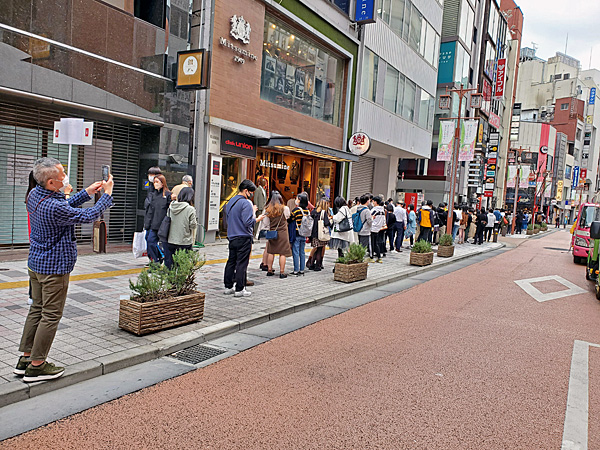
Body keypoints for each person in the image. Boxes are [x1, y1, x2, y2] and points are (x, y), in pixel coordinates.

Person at [15, 157, 113, 382]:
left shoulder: (35, 194)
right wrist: (106, 195)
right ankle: (37, 366)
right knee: (50, 315)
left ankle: (26, 358)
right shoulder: (54, 206)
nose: (65, 177)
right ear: (51, 182)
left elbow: (65, 206)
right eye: (62, 175)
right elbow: (87, 216)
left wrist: (86, 192)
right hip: (54, 268)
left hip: (37, 264)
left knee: (37, 309)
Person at [224, 180, 264, 297]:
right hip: (243, 236)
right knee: (242, 263)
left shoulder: (231, 201)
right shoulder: (246, 203)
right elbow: (248, 222)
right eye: (251, 192)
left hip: (232, 236)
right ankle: (240, 289)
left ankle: (228, 287)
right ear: (246, 191)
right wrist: (258, 218)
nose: (252, 195)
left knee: (231, 262)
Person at [164, 187, 197, 269]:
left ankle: (171, 276)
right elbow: (193, 225)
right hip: (184, 241)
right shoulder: (190, 209)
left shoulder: (171, 206)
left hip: (171, 239)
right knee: (183, 265)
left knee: (171, 263)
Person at [265, 191, 291, 278]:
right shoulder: (285, 208)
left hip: (272, 233)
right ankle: (282, 272)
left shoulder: (268, 210)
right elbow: (287, 217)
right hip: (283, 233)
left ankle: (269, 270)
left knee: (271, 252)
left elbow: (266, 223)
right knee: (282, 253)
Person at [145, 174, 171, 264]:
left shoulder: (168, 195)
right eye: (154, 182)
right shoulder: (153, 195)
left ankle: (165, 262)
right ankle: (156, 260)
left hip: (163, 225)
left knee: (165, 245)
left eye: (157, 182)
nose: (155, 184)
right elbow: (149, 211)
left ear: (162, 183)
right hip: (154, 224)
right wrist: (147, 224)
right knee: (150, 242)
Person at [289, 192, 310, 275]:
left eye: (297, 199)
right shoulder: (307, 211)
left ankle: (296, 270)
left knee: (295, 252)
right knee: (302, 252)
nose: (296, 200)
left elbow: (290, 219)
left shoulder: (296, 210)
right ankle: (302, 269)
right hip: (304, 233)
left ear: (300, 200)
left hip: (297, 233)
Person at [144, 167, 162, 263]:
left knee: (151, 241)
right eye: (149, 174)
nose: (150, 177)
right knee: (148, 239)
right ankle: (155, 258)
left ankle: (157, 259)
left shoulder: (161, 192)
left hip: (156, 221)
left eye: (152, 174)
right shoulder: (150, 187)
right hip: (149, 219)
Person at [309, 198, 331, 271]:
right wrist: (330, 221)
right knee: (319, 249)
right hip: (321, 234)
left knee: (316, 248)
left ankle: (311, 264)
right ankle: (318, 266)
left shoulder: (313, 211)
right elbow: (327, 223)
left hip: (313, 233)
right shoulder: (323, 212)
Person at [370, 196, 386, 263]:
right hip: (378, 228)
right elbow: (384, 221)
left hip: (372, 228)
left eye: (373, 201)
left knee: (372, 243)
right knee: (375, 243)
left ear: (375, 202)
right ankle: (379, 257)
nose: (372, 203)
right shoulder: (382, 210)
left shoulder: (374, 210)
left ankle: (371, 257)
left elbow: (370, 218)